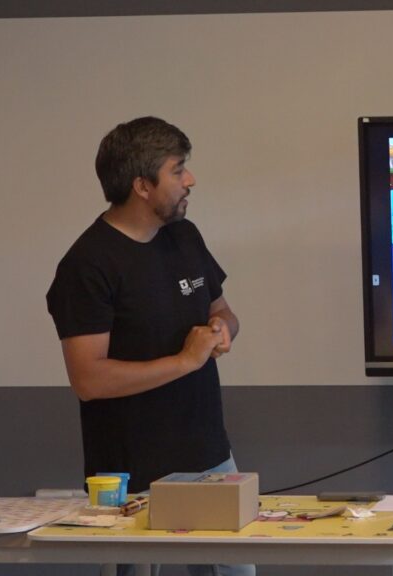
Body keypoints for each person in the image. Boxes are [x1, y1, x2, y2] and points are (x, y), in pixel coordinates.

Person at [46, 117, 251, 576]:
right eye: (177, 170)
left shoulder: (184, 237)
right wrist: (184, 360)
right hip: (129, 470)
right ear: (142, 185)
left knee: (236, 568)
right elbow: (88, 379)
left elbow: (224, 311)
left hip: (208, 452)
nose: (190, 180)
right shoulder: (88, 265)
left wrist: (222, 330)